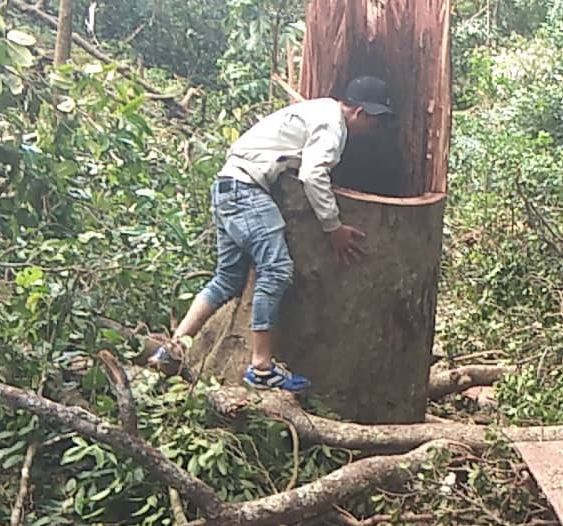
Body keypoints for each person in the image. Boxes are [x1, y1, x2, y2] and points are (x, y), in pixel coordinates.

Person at [149, 76, 392, 392]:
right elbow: (313, 174)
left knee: (227, 279)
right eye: (375, 123)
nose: (374, 131)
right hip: (246, 190)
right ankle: (261, 367)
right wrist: (334, 229)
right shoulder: (333, 128)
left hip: (227, 185)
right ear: (360, 112)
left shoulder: (319, 109)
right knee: (276, 270)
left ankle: (172, 349)